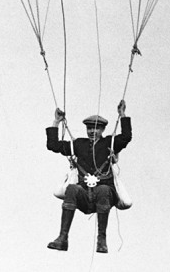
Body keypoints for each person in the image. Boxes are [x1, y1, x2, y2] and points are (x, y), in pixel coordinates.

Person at [46, 99, 132, 253]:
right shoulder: (79, 144)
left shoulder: (109, 142)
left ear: (103, 129)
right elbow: (53, 145)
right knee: (72, 189)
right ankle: (62, 238)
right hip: (85, 195)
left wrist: (122, 115)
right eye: (89, 128)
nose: (92, 131)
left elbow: (126, 137)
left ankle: (102, 240)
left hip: (105, 195)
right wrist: (56, 122)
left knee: (103, 189)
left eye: (96, 128)